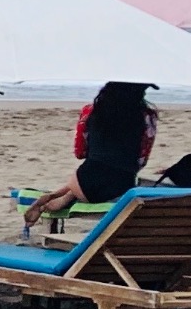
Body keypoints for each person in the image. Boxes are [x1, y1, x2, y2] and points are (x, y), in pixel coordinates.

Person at [23, 80, 158, 230]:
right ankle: (65, 196)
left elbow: (80, 152)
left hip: (86, 182)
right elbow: (142, 160)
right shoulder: (147, 117)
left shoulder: (90, 112)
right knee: (110, 171)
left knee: (89, 173)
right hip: (122, 185)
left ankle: (62, 195)